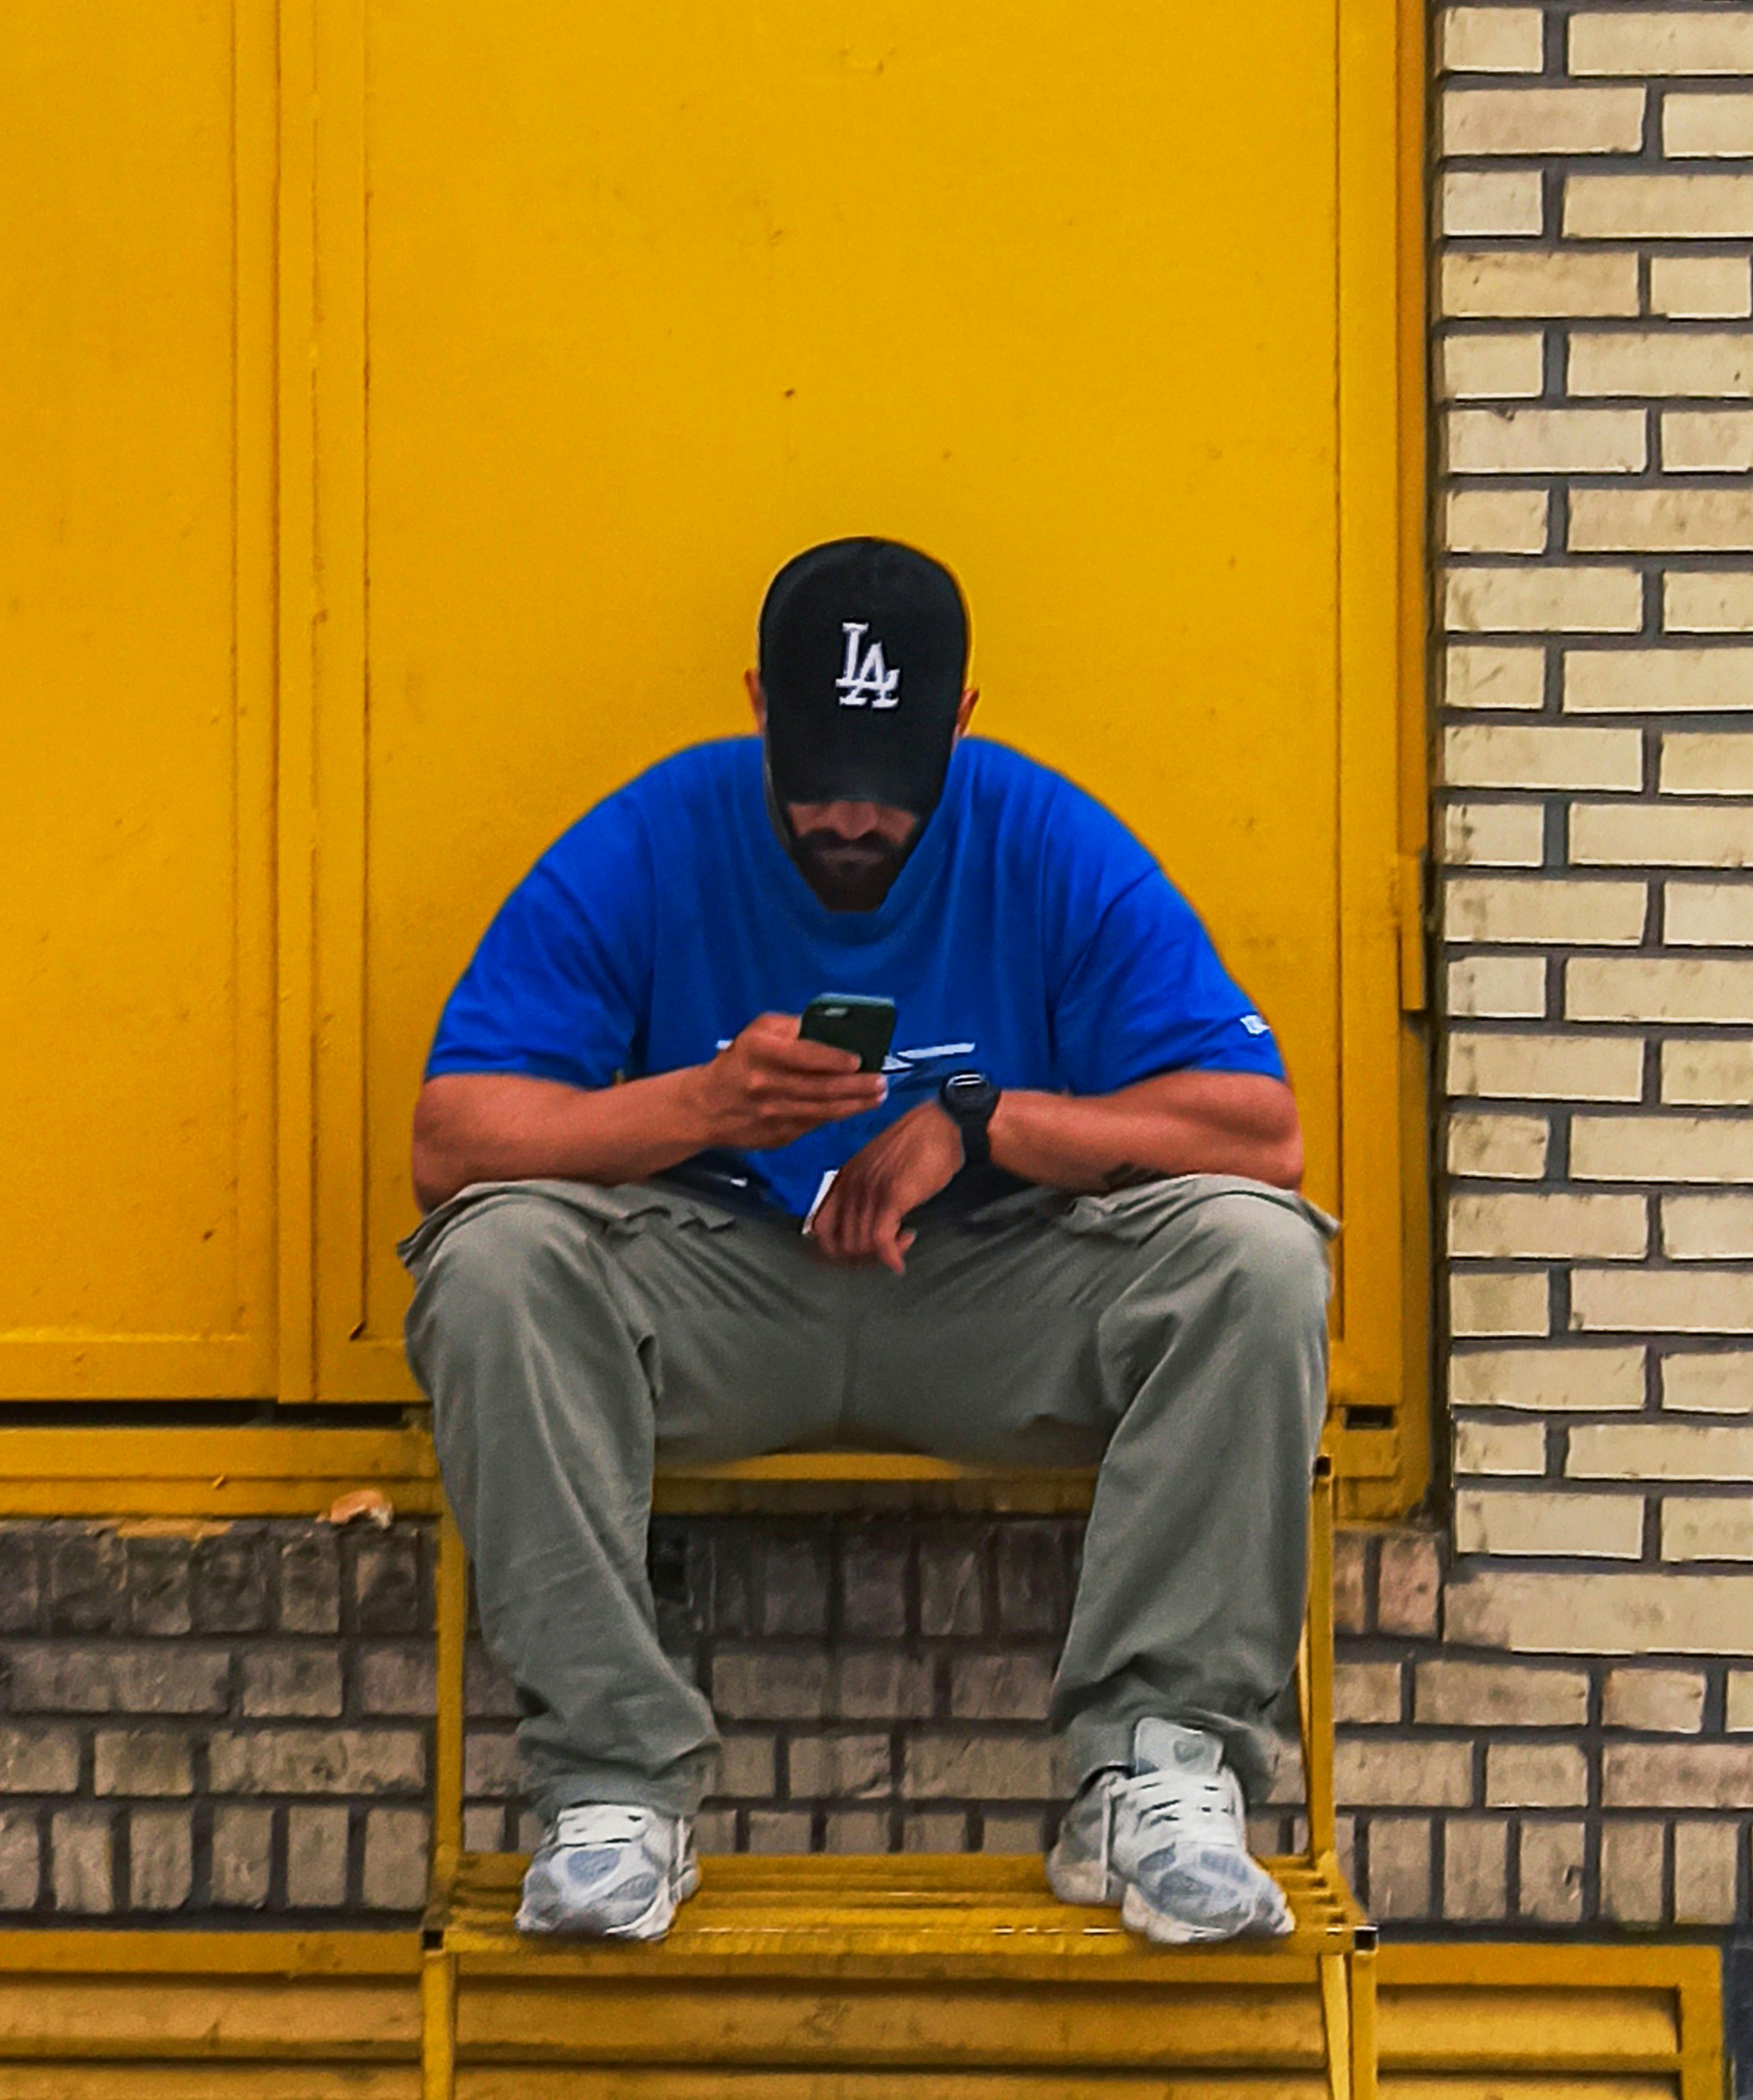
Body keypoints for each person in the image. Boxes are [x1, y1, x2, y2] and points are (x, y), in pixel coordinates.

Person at [404, 532, 1331, 1952]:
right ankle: (609, 1790)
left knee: (1256, 1257)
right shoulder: (655, 831)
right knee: (492, 1261)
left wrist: (981, 1121)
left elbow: (1261, 1135)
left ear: (960, 721)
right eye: (816, 775)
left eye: (889, 784)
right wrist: (701, 1104)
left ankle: (1156, 1778)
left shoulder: (1045, 837)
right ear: (756, 708)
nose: (849, 816)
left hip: (984, 1300)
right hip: (720, 1298)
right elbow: (451, 1142)